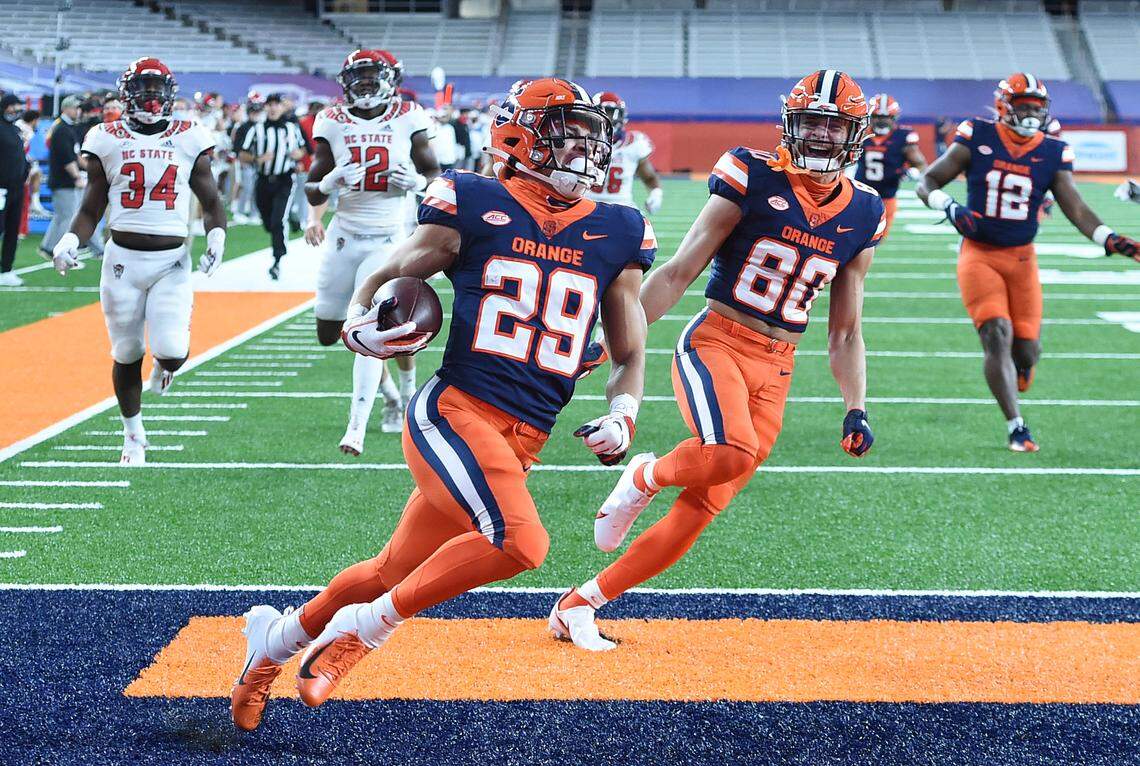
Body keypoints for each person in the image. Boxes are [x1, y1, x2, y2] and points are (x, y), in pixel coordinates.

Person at [230, 78, 656, 730]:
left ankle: (275, 644)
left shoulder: (620, 227)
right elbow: (382, 278)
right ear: (520, 134)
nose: (585, 149)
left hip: (527, 436)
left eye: (591, 136)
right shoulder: (475, 198)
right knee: (520, 543)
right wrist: (363, 324)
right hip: (456, 411)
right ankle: (363, 634)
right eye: (568, 132)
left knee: (390, 568)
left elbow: (627, 349)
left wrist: (624, 412)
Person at [552, 70, 883, 651]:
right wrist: (611, 343)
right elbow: (679, 272)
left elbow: (846, 331)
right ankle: (645, 476)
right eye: (811, 123)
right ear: (789, 122)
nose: (822, 137)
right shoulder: (751, 174)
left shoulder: (865, 213)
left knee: (705, 505)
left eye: (834, 126)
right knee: (729, 451)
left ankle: (582, 604)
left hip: (779, 365)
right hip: (717, 341)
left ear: (856, 134)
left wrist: (855, 407)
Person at [917, 73, 1139, 452]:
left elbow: (1075, 206)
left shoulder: (1053, 151)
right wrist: (951, 208)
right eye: (1024, 106)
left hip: (1022, 259)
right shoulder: (978, 135)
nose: (1032, 114)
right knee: (996, 333)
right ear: (1005, 106)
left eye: (1038, 108)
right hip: (979, 254)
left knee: (1026, 349)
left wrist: (1108, 238)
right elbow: (928, 181)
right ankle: (1016, 425)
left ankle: (1023, 366)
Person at [50, 57, 227, 466]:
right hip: (121, 261)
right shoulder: (105, 137)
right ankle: (133, 435)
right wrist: (70, 239)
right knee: (126, 351)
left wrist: (216, 234)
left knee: (172, 350)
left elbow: (212, 200)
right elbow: (92, 205)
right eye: (142, 91)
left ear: (169, 95)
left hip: (172, 261)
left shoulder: (190, 135)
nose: (150, 99)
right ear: (128, 95)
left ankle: (165, 367)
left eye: (156, 91)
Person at [303, 50, 440, 452]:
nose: (364, 84)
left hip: (387, 239)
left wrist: (415, 181)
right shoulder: (331, 120)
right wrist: (329, 183)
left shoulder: (409, 117)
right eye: (358, 76)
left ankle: (358, 425)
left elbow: (436, 176)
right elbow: (313, 186)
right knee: (331, 332)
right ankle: (393, 395)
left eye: (371, 75)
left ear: (390, 79)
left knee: (370, 325)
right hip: (343, 236)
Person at [239, 93, 307, 279]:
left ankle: (277, 260)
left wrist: (297, 155)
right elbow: (242, 154)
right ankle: (291, 217)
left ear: (282, 107)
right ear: (265, 107)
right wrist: (257, 159)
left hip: (284, 179)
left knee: (277, 222)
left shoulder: (292, 128)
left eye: (277, 104)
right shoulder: (256, 129)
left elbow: (304, 149)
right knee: (268, 222)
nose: (273, 108)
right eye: (270, 104)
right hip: (262, 180)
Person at [852, 93, 926, 240]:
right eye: (878, 117)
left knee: (876, 240)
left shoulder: (902, 135)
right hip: (859, 194)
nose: (881, 121)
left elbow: (920, 164)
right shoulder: (860, 134)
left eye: (886, 117)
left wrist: (912, 172)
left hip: (887, 196)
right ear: (871, 117)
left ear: (893, 118)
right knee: (851, 234)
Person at [586, 91, 663, 216]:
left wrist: (656, 193)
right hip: (587, 207)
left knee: (643, 231)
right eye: (604, 113)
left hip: (623, 207)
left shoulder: (633, 144)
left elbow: (649, 176)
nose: (610, 119)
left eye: (612, 113)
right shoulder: (579, 143)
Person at [40, 95, 87, 259]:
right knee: (68, 217)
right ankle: (58, 251)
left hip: (63, 180)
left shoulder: (67, 128)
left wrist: (89, 168)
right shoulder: (61, 129)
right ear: (66, 108)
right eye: (75, 108)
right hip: (63, 181)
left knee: (61, 216)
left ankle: (47, 247)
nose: (78, 111)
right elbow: (67, 158)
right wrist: (76, 177)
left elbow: (75, 155)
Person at [0, 94, 29, 286]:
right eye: (13, 107)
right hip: (1, 188)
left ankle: (6, 270)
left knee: (12, 229)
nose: (16, 111)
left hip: (17, 188)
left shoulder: (15, 129)